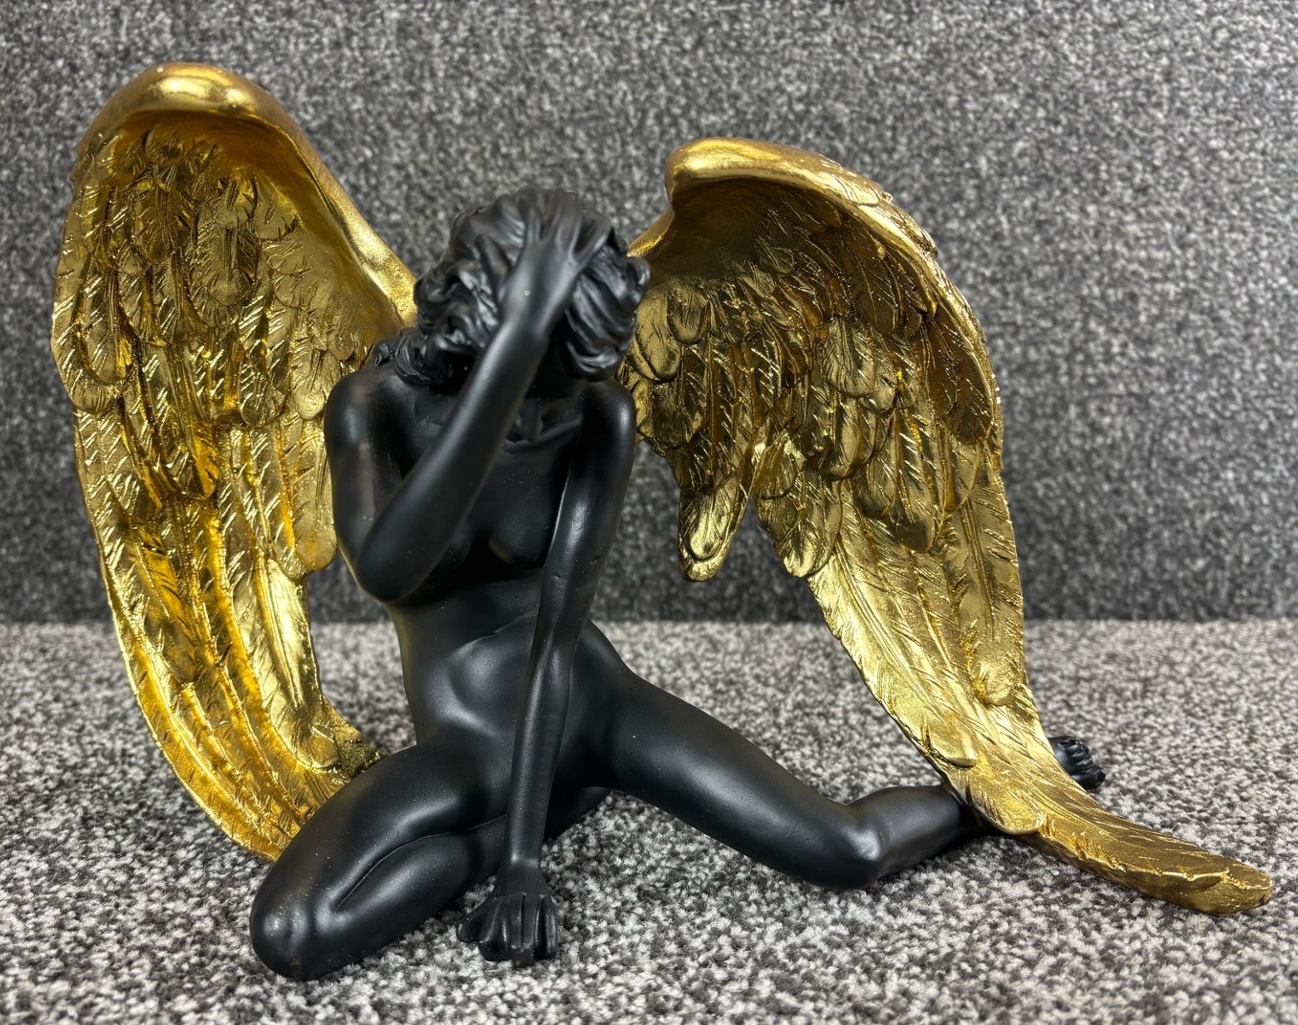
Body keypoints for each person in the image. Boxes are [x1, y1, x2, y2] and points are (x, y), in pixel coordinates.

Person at [248, 189, 1102, 979]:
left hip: (588, 702)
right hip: (466, 743)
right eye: (533, 395)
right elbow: (387, 566)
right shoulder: (374, 406)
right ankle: (533, 813)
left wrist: (525, 864)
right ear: (488, 343)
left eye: (565, 396)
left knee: (848, 851)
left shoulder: (597, 414)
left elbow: (558, 631)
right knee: (295, 929)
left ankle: (992, 795)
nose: (552, 419)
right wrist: (506, 851)